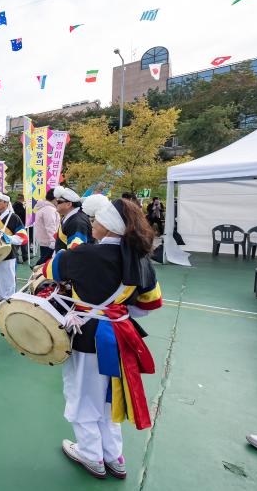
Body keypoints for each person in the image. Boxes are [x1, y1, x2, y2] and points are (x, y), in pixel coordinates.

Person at [38, 195, 163, 479]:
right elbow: (149, 304)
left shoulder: (84, 255)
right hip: (122, 336)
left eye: (96, 220)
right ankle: (114, 456)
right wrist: (117, 310)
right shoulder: (140, 259)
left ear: (107, 227)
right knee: (109, 397)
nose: (92, 223)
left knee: (82, 396)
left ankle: (90, 454)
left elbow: (47, 272)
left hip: (88, 335)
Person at [0, 192, 28, 304]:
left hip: (8, 253)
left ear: (6, 203)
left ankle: (9, 298)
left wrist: (8, 238)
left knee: (7, 277)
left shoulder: (14, 218)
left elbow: (23, 237)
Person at [54, 186, 93, 251]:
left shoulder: (77, 222)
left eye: (58, 201)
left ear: (69, 204)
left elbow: (76, 251)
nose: (55, 203)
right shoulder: (70, 216)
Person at [34, 191, 60, 267]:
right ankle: (35, 273)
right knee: (45, 264)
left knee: (44, 262)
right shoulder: (49, 209)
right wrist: (53, 241)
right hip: (49, 242)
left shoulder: (44, 208)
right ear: (55, 198)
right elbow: (51, 226)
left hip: (45, 240)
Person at [12, 194, 28, 263]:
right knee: (21, 242)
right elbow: (24, 216)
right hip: (21, 226)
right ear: (22, 199)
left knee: (18, 243)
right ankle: (23, 257)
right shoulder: (20, 206)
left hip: (15, 226)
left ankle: (21, 257)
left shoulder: (13, 206)